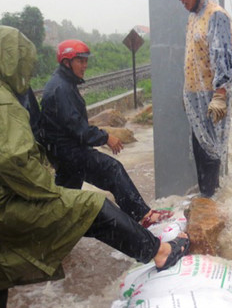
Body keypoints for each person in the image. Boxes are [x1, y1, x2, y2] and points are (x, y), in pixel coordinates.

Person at [0, 26, 190, 308]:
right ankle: (160, 252)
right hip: (6, 201)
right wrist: (46, 194)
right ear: (10, 61)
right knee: (92, 206)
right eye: (25, 67)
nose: (27, 75)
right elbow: (13, 160)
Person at [40, 39, 172, 227]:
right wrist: (106, 137)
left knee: (65, 200)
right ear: (66, 62)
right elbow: (78, 128)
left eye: (86, 61)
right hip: (69, 152)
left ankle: (50, 233)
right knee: (112, 169)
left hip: (62, 152)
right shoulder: (61, 88)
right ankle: (143, 217)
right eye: (80, 61)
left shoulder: (62, 83)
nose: (85, 65)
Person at [174, 0, 232, 197]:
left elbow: (222, 56)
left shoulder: (215, 15)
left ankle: (211, 204)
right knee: (200, 150)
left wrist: (219, 95)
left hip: (211, 99)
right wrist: (187, 95)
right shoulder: (194, 17)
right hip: (195, 99)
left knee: (210, 153)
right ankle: (207, 202)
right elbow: (193, 57)